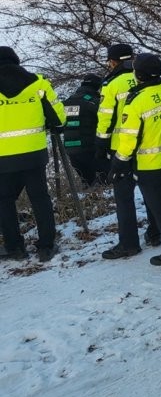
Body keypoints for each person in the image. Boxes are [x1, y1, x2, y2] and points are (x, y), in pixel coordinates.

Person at [104, 54, 161, 265]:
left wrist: (118, 163)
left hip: (150, 165)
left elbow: (128, 139)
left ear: (138, 74)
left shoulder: (136, 102)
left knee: (160, 208)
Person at [0, 46, 64, 262]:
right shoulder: (38, 83)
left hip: (3, 158)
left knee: (4, 200)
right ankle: (46, 246)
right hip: (34, 153)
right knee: (40, 198)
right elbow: (58, 117)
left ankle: (14, 247)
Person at [96, 43, 161, 247]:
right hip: (146, 145)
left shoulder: (111, 85)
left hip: (120, 148)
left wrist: (100, 146)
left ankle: (129, 243)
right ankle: (155, 232)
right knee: (150, 192)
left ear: (112, 62)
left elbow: (105, 119)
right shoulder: (143, 76)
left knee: (124, 198)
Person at [62, 73, 102, 187]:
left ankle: (90, 201)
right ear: (97, 87)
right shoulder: (93, 102)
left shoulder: (67, 102)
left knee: (87, 182)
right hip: (89, 148)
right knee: (100, 181)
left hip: (70, 150)